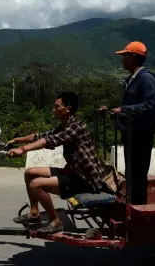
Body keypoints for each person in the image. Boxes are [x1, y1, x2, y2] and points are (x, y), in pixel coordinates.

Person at [7, 91, 110, 234]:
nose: (53, 109)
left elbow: (50, 141)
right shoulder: (65, 125)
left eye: (56, 106)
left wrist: (22, 149)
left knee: (36, 185)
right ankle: (34, 212)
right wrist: (17, 140)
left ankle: (56, 221)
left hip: (86, 180)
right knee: (30, 173)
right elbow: (42, 135)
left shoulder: (76, 127)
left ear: (68, 109)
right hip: (73, 172)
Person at [100, 41, 155, 205]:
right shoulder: (133, 79)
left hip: (141, 135)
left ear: (134, 57)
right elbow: (135, 107)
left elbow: (150, 105)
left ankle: (138, 210)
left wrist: (123, 110)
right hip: (131, 133)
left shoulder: (146, 79)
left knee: (138, 175)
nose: (122, 60)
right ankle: (132, 206)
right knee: (132, 173)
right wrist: (117, 113)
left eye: (125, 56)